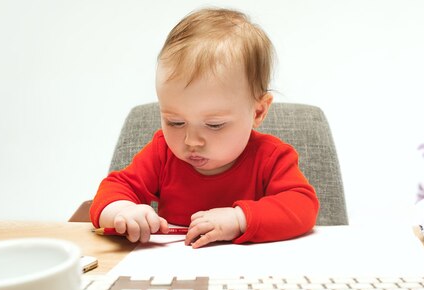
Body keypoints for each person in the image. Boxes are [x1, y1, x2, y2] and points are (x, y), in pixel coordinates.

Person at [90, 8, 319, 248]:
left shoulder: (271, 158)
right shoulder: (163, 152)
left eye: (214, 125)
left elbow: (303, 206)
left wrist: (239, 219)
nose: (191, 140)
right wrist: (122, 211)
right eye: (175, 122)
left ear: (258, 112)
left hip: (248, 275)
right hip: (176, 272)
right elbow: (112, 190)